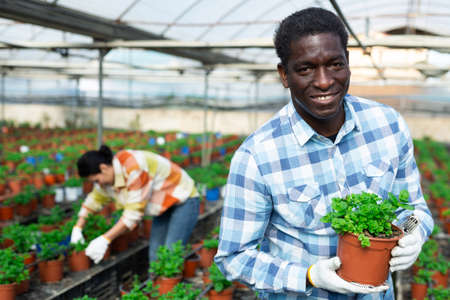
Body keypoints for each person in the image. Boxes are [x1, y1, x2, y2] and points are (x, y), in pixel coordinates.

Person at [214, 7, 434, 300]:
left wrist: (412, 234)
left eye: (334, 64)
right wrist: (309, 275)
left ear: (348, 63)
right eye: (305, 69)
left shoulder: (388, 125)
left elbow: (415, 209)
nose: (324, 81)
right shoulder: (257, 156)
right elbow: (234, 257)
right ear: (284, 75)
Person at [70, 145, 200, 263]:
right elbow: (95, 199)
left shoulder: (134, 166)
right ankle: (157, 286)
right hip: (163, 205)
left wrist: (105, 239)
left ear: (103, 168)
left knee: (171, 251)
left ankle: (168, 287)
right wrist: (78, 227)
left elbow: (133, 213)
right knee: (155, 253)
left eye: (96, 180)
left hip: (184, 199)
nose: (98, 184)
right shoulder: (108, 177)